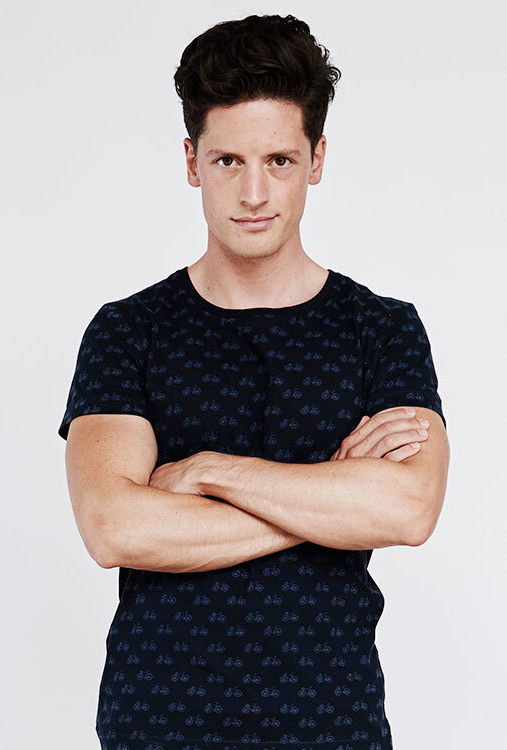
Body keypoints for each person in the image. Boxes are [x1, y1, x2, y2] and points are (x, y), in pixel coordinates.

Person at [58, 13, 449, 750]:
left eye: (279, 159)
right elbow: (114, 527)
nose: (253, 192)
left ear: (316, 159)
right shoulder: (128, 330)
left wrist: (206, 472)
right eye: (228, 161)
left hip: (332, 723)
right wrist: (329, 495)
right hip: (158, 724)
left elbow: (407, 509)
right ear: (191, 161)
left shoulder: (382, 329)